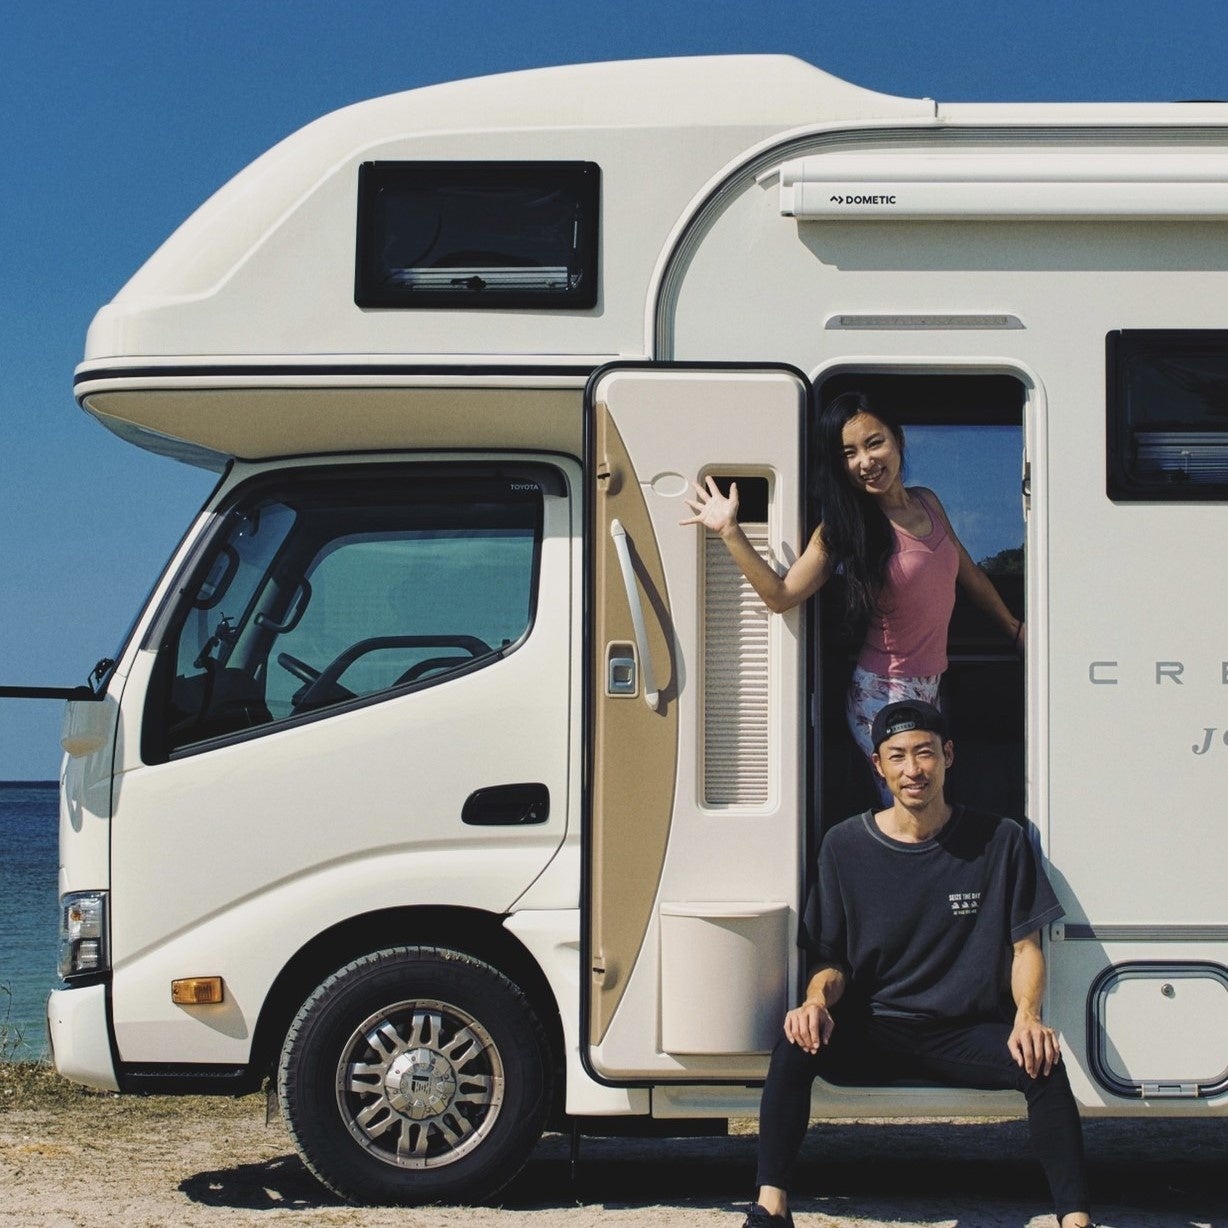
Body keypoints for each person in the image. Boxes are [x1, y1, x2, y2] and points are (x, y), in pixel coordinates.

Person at [743, 700, 1093, 1228]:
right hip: (875, 1029)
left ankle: (1076, 1219)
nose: (913, 769)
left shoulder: (1001, 840)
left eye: (925, 753)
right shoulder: (844, 845)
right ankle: (771, 1208)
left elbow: (1026, 948)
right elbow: (830, 960)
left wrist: (1027, 1017)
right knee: (795, 1042)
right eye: (898, 756)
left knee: (1042, 1060)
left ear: (948, 756)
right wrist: (814, 1002)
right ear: (878, 766)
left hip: (963, 1033)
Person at [681, 390, 1023, 799]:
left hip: (930, 682)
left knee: (924, 801)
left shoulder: (927, 502)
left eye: (874, 443)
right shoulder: (845, 527)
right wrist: (729, 530)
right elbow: (781, 595)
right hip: (883, 690)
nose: (865, 462)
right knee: (915, 801)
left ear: (897, 439)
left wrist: (1015, 629)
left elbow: (968, 573)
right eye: (849, 453)